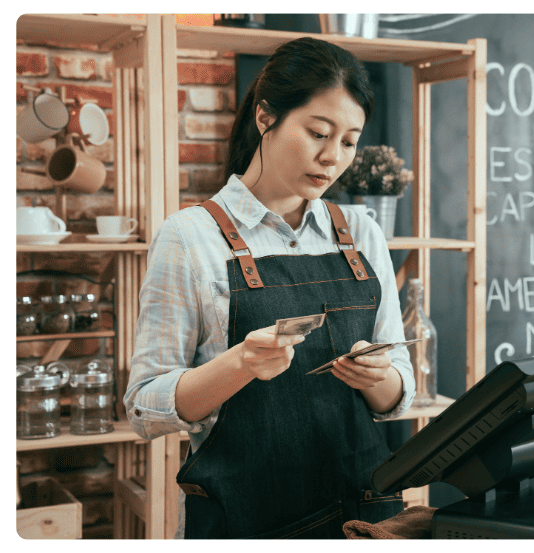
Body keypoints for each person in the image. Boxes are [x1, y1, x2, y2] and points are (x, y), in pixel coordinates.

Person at [124, 36, 415, 539]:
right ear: (265, 117)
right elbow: (144, 407)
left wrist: (379, 374)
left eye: (348, 141)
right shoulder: (191, 237)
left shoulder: (362, 231)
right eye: (318, 133)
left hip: (364, 516)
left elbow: (397, 396)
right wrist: (238, 364)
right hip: (247, 520)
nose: (332, 158)